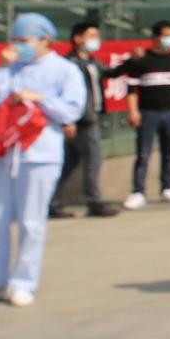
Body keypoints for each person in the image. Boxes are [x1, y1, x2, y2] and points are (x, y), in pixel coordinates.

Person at [0, 14, 86, 308]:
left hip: (40, 155)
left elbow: (71, 111)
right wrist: (4, 68)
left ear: (45, 40)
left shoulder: (64, 70)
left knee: (31, 221)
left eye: (24, 41)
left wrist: (39, 98)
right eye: (15, 41)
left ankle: (23, 281)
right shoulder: (10, 68)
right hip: (1, 153)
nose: (18, 47)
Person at [50, 18, 122, 220]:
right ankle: (94, 202)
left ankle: (52, 202)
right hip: (81, 121)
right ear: (77, 38)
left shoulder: (92, 63)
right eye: (91, 36)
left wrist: (134, 61)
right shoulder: (70, 65)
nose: (95, 40)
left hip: (88, 118)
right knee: (92, 161)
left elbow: (111, 73)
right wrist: (68, 120)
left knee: (69, 164)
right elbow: (66, 95)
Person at [117, 21, 170, 208]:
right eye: (167, 35)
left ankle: (167, 188)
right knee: (143, 154)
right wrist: (133, 111)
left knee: (168, 153)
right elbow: (132, 89)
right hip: (148, 113)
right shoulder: (142, 60)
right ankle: (138, 191)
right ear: (155, 38)